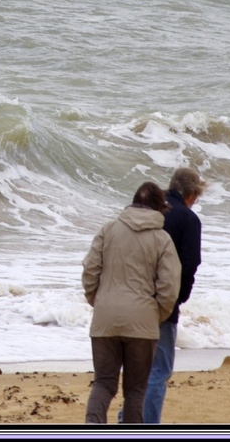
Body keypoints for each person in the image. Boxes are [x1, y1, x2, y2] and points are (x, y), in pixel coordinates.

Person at [82, 181, 181, 423]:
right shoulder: (162, 239)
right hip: (143, 324)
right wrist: (155, 315)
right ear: (160, 208)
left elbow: (89, 272)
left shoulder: (108, 230)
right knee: (136, 391)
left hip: (106, 320)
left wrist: (99, 301)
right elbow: (169, 287)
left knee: (104, 384)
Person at [118, 167, 206, 424]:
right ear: (191, 194)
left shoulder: (148, 211)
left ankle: (127, 421)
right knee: (159, 369)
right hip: (162, 303)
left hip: (130, 299)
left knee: (138, 371)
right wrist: (181, 297)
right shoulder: (188, 220)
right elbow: (190, 264)